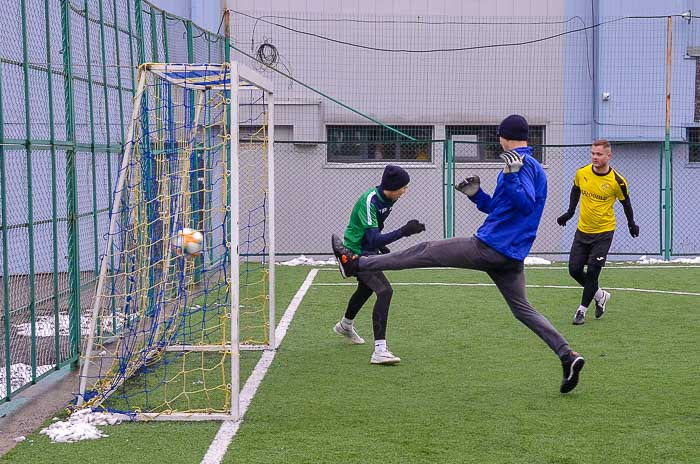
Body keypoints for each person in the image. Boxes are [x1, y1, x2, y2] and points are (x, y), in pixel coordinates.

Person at [333, 115, 585, 393]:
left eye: (499, 135)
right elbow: (500, 209)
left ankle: (357, 262)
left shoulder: (520, 166)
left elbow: (525, 205)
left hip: (490, 247)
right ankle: (567, 355)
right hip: (512, 255)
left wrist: (512, 178)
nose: (497, 140)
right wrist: (476, 194)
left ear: (504, 136)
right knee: (523, 310)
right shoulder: (529, 166)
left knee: (425, 250)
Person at [332, 164, 426, 365]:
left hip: (367, 250)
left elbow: (375, 231)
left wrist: (380, 248)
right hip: (356, 252)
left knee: (366, 289)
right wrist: (404, 231)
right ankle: (380, 351)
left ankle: (345, 325)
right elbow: (373, 238)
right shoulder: (370, 201)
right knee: (385, 291)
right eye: (403, 188)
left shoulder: (388, 199)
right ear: (393, 186)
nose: (405, 192)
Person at [556, 139, 639, 325]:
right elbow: (575, 190)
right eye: (593, 153)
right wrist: (569, 213)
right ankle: (600, 296)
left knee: (593, 272)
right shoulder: (582, 173)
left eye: (599, 154)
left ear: (609, 156)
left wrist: (631, 223)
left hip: (604, 232)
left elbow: (626, 203)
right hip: (582, 230)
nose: (595, 157)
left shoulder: (618, 181)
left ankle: (581, 311)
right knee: (574, 270)